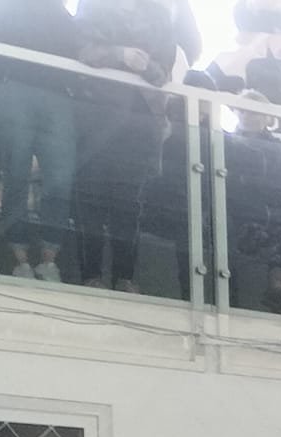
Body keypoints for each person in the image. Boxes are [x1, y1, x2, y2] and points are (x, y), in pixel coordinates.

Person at [72, 0, 182, 291]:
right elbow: (80, 49)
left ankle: (125, 277)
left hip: (140, 124)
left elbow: (164, 73)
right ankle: (91, 275)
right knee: (90, 200)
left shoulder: (159, 16)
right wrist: (120, 55)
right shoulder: (92, 5)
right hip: (95, 119)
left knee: (128, 205)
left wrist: (146, 66)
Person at [0, 0, 80, 282]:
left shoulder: (60, 15)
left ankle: (44, 261)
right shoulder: (17, 9)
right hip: (18, 86)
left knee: (57, 180)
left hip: (51, 93)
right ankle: (24, 261)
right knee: (17, 175)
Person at [221, 91, 281, 314]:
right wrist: (252, 186)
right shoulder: (226, 142)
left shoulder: (280, 149)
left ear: (268, 118)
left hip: (272, 218)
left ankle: (277, 287)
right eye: (243, 110)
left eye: (255, 112)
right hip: (237, 217)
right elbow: (228, 182)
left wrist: (255, 185)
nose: (248, 116)